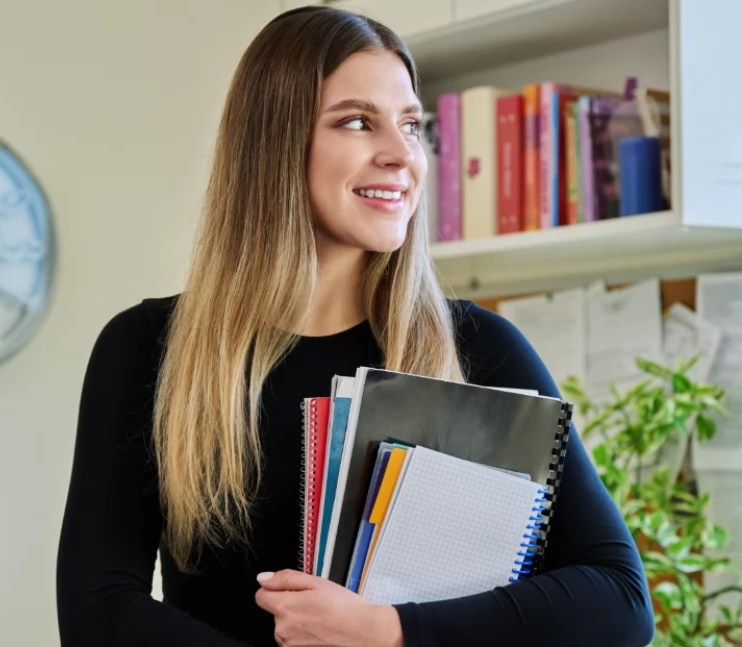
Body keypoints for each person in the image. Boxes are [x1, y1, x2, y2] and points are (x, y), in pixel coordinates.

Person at [55, 6, 654, 646]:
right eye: (357, 122)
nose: (402, 155)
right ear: (275, 145)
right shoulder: (147, 348)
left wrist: (391, 632)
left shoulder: (480, 349)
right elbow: (99, 611)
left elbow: (619, 601)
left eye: (410, 125)